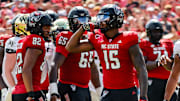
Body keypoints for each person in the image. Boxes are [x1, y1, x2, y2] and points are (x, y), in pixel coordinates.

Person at [66, 4, 148, 101]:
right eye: (99, 17)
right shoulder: (98, 39)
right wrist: (82, 28)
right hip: (108, 91)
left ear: (115, 19)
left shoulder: (128, 39)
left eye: (104, 17)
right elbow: (70, 47)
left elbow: (141, 68)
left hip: (127, 92)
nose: (100, 21)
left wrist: (143, 96)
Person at [49, 6, 101, 101]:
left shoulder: (89, 38)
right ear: (71, 21)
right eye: (78, 20)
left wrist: (99, 90)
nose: (82, 23)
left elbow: (93, 67)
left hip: (85, 88)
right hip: (69, 87)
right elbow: (55, 64)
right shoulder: (66, 37)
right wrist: (53, 90)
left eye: (85, 20)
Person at [12, 11, 52, 101]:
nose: (48, 30)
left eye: (49, 27)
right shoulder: (36, 39)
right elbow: (26, 69)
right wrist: (31, 93)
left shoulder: (23, 40)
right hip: (29, 89)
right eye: (46, 27)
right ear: (36, 26)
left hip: (19, 90)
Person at [139, 19, 177, 101]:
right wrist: (158, 62)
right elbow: (143, 65)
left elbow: (175, 63)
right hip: (153, 81)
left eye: (159, 31)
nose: (157, 34)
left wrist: (167, 61)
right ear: (149, 32)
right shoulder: (144, 44)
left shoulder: (168, 43)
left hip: (169, 80)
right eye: (154, 32)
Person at [2, 14, 30, 101]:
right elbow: (7, 71)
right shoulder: (14, 42)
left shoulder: (35, 40)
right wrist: (14, 89)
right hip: (18, 87)